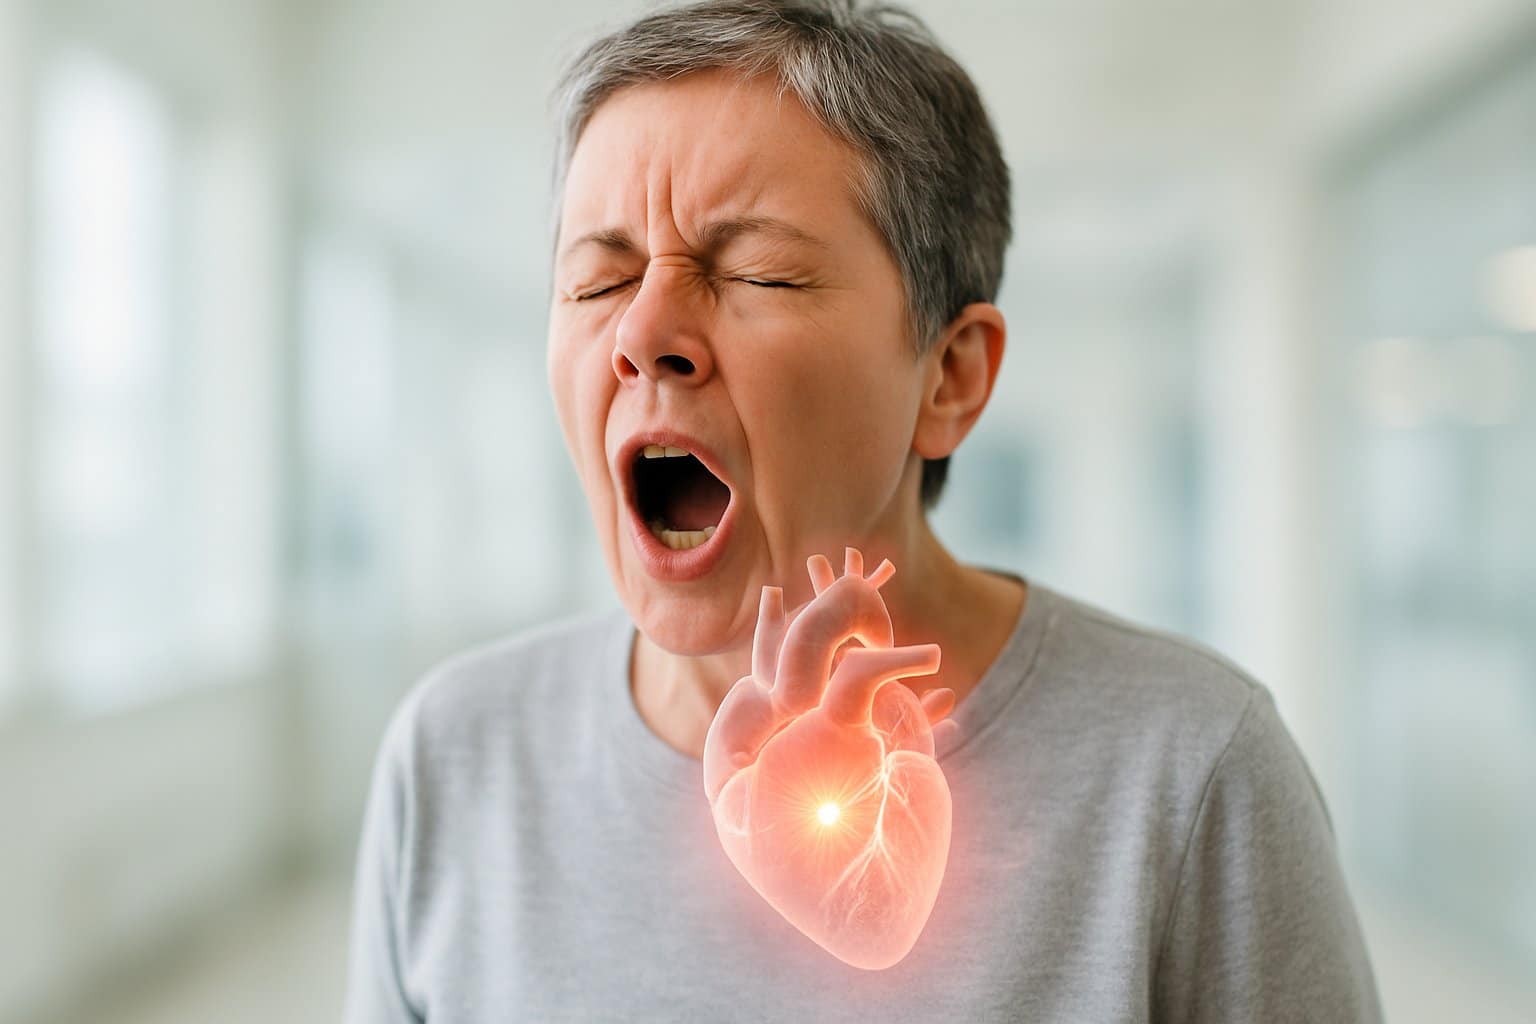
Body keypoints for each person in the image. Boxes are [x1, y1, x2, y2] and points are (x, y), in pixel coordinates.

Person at [343, 1, 1383, 1020]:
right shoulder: (453, 756)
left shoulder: (1193, 773)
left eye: (757, 270)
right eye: (596, 281)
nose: (644, 330)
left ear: (949, 378)